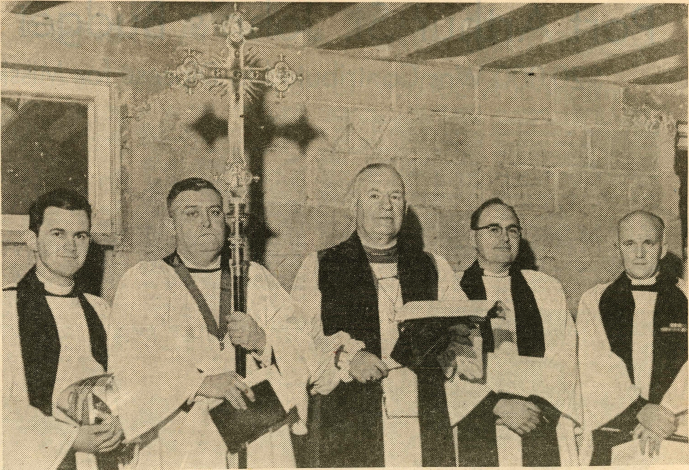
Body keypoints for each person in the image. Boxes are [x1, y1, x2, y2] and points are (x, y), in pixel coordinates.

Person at [108, 178, 339, 469]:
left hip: (256, 436)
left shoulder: (254, 278)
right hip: (179, 438)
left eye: (215, 212)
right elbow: (129, 363)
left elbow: (305, 345)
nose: (206, 222)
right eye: (191, 213)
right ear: (171, 225)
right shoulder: (145, 280)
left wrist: (263, 341)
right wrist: (201, 383)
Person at [290, 163, 468, 467]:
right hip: (350, 412)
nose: (387, 205)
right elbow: (297, 339)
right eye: (374, 195)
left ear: (406, 207)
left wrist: (447, 353)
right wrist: (346, 358)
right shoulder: (321, 265)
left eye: (395, 197)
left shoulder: (433, 266)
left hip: (421, 409)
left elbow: (463, 335)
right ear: (354, 205)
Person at [451, 198, 579, 466]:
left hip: (539, 417)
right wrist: (497, 406)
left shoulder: (546, 289)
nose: (505, 238)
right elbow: (450, 363)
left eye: (512, 230)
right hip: (478, 416)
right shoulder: (453, 291)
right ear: (473, 237)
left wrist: (534, 407)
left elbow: (565, 356)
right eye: (494, 229)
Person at [3, 189, 124, 470]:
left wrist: (121, 422)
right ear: (32, 239)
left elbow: (121, 384)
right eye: (58, 234)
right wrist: (68, 439)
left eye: (80, 235)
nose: (71, 246)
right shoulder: (5, 309)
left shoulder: (100, 310)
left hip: (98, 457)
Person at [576, 210, 687, 465]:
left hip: (677, 425)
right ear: (618, 248)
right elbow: (592, 364)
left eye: (648, 243)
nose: (639, 253)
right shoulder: (595, 300)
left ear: (662, 249)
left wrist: (665, 413)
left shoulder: (686, 295)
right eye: (630, 244)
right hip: (617, 422)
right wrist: (640, 410)